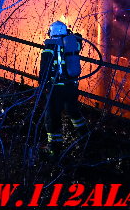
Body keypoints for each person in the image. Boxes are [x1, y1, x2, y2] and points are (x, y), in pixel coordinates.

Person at [39, 20, 88, 158]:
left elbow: (45, 70)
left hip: (56, 89)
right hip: (71, 86)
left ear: (51, 32)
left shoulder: (50, 47)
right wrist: (71, 35)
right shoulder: (73, 43)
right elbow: (79, 38)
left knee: (52, 117)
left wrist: (42, 86)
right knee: (72, 111)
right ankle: (85, 136)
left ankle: (54, 148)